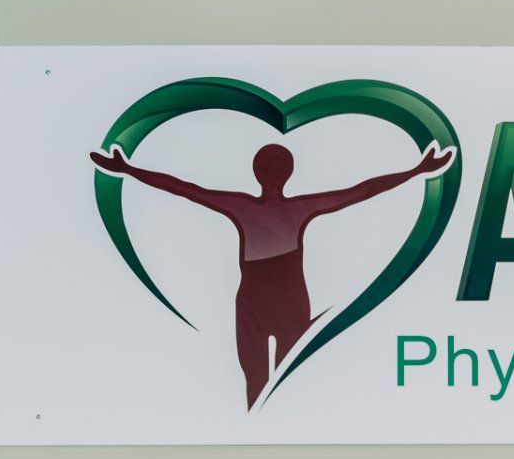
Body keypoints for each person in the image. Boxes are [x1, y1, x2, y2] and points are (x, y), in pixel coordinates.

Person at [90, 140, 453, 406]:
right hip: (274, 300)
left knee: (270, 382)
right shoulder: (294, 208)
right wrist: (415, 171)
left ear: (259, 173)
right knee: (271, 382)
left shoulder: (247, 206)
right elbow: (359, 192)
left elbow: (185, 189)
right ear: (284, 173)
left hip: (267, 300)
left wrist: (129, 170)